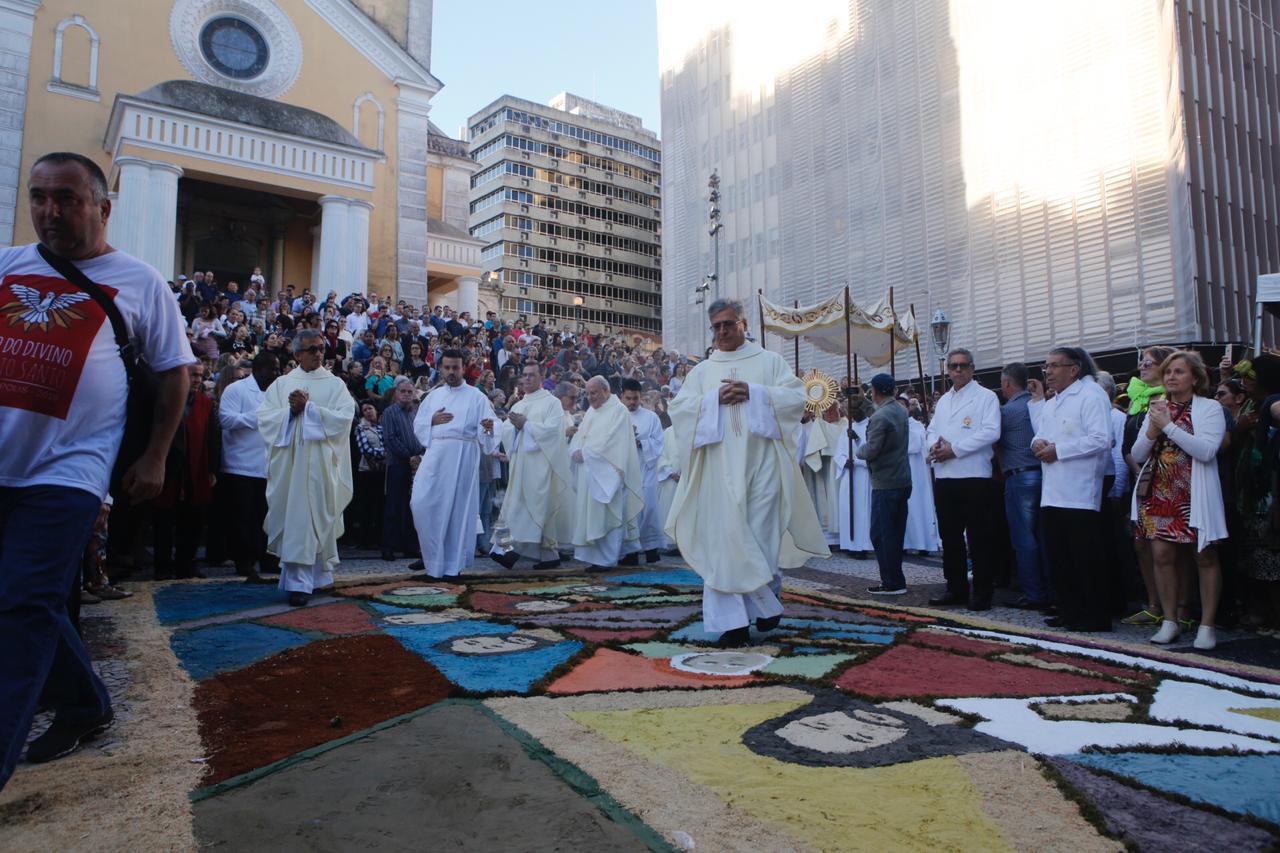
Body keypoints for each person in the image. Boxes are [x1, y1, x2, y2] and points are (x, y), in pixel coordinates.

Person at [1, 152, 193, 787]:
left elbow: (173, 374)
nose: (50, 212)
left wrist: (156, 453)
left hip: (67, 471)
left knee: (25, 603)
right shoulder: (7, 267)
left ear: (103, 208)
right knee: (28, 601)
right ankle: (85, 702)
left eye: (67, 199)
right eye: (39, 197)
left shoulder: (140, 282)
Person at [666, 300, 828, 647]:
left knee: (759, 540)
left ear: (744, 323)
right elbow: (679, 410)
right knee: (722, 544)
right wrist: (713, 401)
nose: (722, 332)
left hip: (762, 470)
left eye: (728, 324)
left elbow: (795, 401)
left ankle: (765, 604)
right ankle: (735, 623)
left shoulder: (770, 363)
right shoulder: (703, 371)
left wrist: (755, 394)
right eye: (716, 327)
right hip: (716, 472)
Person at [1130, 351, 1227, 649]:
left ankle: (1207, 625)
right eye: (1169, 371)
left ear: (1195, 378)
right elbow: (1136, 455)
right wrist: (1151, 430)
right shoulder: (1157, 407)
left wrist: (1169, 427)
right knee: (1161, 556)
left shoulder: (1209, 408)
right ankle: (1170, 620)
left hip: (1194, 492)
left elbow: (1207, 450)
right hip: (1160, 490)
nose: (1171, 376)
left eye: (1179, 372)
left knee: (1204, 556)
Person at [258, 329, 356, 606]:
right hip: (291, 465)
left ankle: (319, 577)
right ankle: (298, 584)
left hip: (322, 464)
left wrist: (310, 409)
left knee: (319, 516)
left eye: (321, 349)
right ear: (297, 353)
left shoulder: (335, 384)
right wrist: (290, 412)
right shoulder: (281, 385)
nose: (318, 354)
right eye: (312, 349)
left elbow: (345, 418)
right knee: (299, 518)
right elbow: (264, 419)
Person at [1029, 346, 1114, 632]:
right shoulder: (1052, 402)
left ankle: (1094, 614)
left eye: (1055, 366)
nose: (1048, 372)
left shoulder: (1091, 395)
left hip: (1079, 490)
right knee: (1059, 556)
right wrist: (1038, 444)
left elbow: (1102, 439)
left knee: (1084, 557)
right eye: (1047, 366)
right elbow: (1040, 434)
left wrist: (1060, 450)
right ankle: (1069, 609)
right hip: (1053, 490)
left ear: (1074, 369)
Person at [410, 350, 498, 578]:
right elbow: (418, 425)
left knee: (457, 511)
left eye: (455, 367)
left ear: (463, 368)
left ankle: (452, 567)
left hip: (463, 457)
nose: (451, 372)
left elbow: (488, 429)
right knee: (421, 503)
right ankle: (432, 562)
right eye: (447, 367)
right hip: (436, 455)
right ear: (440, 368)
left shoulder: (476, 397)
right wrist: (431, 421)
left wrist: (488, 427)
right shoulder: (433, 396)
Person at [925, 348, 1002, 610]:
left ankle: (982, 592)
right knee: (950, 537)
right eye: (953, 366)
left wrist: (954, 449)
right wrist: (934, 446)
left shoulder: (986, 397)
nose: (958, 370)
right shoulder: (944, 400)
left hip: (973, 476)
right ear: (947, 370)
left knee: (979, 538)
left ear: (972, 368)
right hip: (945, 476)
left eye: (963, 366)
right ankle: (955, 588)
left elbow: (991, 432)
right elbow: (932, 429)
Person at [491, 363, 574, 570]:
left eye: (531, 375)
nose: (527, 379)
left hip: (542, 466)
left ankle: (512, 552)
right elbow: (508, 432)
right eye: (524, 376)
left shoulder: (551, 403)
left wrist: (526, 425)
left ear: (542, 376)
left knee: (535, 507)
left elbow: (555, 432)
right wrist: (508, 427)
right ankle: (549, 555)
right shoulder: (518, 404)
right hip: (521, 466)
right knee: (520, 506)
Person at [152, 362, 221, 581]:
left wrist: (212, 469)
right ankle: (162, 566)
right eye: (193, 375)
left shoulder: (206, 403)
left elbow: (213, 438)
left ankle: (186, 564)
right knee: (163, 521)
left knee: (193, 521)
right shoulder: (164, 399)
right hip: (169, 469)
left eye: (200, 376)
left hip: (196, 467)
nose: (198, 380)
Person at [569, 377, 645, 571]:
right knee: (592, 514)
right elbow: (581, 435)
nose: (590, 397)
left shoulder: (618, 411)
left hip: (608, 472)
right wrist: (575, 450)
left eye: (593, 393)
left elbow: (612, 441)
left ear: (605, 390)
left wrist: (584, 452)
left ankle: (607, 559)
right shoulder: (592, 412)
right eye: (587, 393)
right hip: (590, 471)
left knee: (608, 515)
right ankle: (595, 557)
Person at [217, 352, 281, 584]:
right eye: (273, 369)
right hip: (240, 465)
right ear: (259, 369)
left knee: (267, 516)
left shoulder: (277, 394)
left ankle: (268, 558)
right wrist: (259, 418)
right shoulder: (236, 390)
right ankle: (243, 560)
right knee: (243, 517)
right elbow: (226, 419)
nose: (276, 373)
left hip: (268, 465)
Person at [995, 362, 1050, 609]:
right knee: (1044, 537)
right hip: (1044, 475)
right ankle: (1048, 589)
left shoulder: (1007, 412)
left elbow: (993, 444)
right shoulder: (1040, 405)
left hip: (1019, 476)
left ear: (1007, 383)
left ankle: (1033, 593)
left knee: (1024, 539)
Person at [857, 374, 912, 595]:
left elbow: (871, 450)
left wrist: (858, 449)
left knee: (881, 534)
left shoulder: (882, 417)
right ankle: (896, 579)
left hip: (885, 483)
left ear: (875, 391)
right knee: (895, 533)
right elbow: (880, 416)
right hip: (901, 480)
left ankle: (892, 582)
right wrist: (863, 401)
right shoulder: (899, 410)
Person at [619, 378, 666, 565]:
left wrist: (640, 443)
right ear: (621, 396)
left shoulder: (651, 417)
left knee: (648, 510)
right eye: (628, 398)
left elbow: (659, 443)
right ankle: (630, 552)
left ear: (641, 397)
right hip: (625, 472)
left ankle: (651, 550)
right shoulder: (617, 416)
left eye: (635, 398)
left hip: (645, 470)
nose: (632, 402)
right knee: (628, 511)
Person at [379, 377, 424, 563]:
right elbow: (390, 439)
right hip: (398, 464)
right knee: (394, 506)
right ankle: (388, 547)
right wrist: (409, 457)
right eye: (403, 391)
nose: (406, 394)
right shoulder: (390, 412)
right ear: (397, 393)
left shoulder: (415, 413)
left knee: (412, 507)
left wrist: (419, 456)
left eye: (409, 391)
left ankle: (410, 546)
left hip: (416, 465)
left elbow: (420, 436)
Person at [900, 398, 940, 554]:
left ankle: (923, 543)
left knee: (919, 505)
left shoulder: (916, 426)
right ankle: (905, 542)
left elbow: (915, 445)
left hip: (916, 472)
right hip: (901, 470)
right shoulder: (893, 425)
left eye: (903, 406)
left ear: (909, 408)